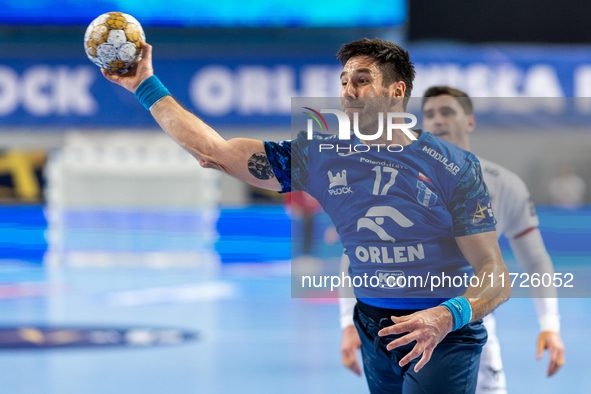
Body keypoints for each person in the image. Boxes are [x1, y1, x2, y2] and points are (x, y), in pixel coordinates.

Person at [102, 38, 510, 394]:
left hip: (442, 328)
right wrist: (143, 85)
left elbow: (495, 273)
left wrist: (446, 316)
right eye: (345, 81)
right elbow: (217, 153)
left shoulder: (453, 166)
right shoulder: (322, 156)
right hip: (373, 325)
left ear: (395, 91)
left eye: (363, 80)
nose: (349, 91)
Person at [339, 86, 565, 393]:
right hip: (399, 322)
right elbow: (359, 252)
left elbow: (535, 260)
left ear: (469, 121)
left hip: (470, 322)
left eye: (447, 112)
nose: (437, 121)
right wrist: (348, 322)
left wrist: (549, 324)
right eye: (429, 114)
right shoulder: (394, 176)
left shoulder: (505, 184)